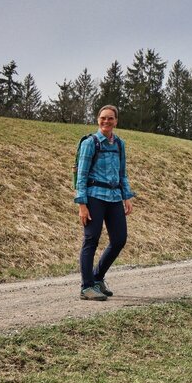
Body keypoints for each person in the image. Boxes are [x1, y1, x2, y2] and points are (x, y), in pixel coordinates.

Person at [75, 104, 134, 300]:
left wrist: (127, 196)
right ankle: (87, 287)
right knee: (91, 239)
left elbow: (122, 173)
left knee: (119, 240)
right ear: (97, 119)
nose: (106, 121)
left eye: (110, 118)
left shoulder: (119, 144)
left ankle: (98, 277)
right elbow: (81, 175)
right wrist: (82, 204)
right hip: (94, 197)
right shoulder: (90, 143)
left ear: (116, 121)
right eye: (103, 118)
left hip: (114, 197)